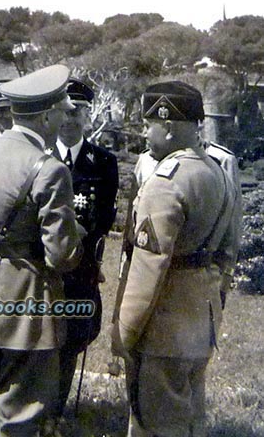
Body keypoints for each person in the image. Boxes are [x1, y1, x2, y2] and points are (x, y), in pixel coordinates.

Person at [0, 64, 84, 437]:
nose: (64, 117)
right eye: (61, 111)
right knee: (20, 414)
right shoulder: (49, 169)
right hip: (25, 304)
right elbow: (62, 256)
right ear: (45, 116)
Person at [111, 81, 238, 436]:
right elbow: (227, 249)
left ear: (167, 126)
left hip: (164, 326)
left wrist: (125, 333)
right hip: (201, 318)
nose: (144, 132)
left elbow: (148, 269)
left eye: (148, 123)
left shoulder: (165, 182)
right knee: (190, 417)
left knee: (154, 421)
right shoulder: (216, 171)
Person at [52, 78, 119, 415]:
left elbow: (105, 218)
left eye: (78, 110)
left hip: (80, 271)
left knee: (72, 339)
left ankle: (56, 410)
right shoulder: (40, 154)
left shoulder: (103, 162)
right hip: (42, 269)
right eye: (65, 110)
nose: (71, 117)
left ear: (88, 115)